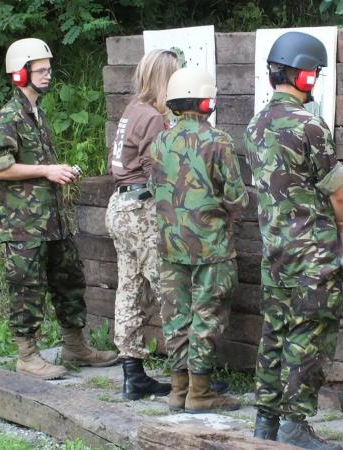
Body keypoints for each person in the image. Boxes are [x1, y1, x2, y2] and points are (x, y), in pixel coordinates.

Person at [0, 38, 118, 380]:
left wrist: (58, 171)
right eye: (40, 70)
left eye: (48, 69)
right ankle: (27, 357)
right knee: (26, 288)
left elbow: (36, 167)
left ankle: (75, 346)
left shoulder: (37, 114)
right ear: (20, 74)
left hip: (51, 221)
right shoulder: (10, 117)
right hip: (22, 225)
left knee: (69, 280)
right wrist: (47, 170)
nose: (47, 75)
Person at [243, 31, 343, 450]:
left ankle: (265, 423)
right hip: (313, 256)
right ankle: (294, 425)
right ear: (303, 75)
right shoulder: (310, 125)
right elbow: (335, 192)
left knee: (275, 333)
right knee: (310, 336)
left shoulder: (255, 124)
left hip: (275, 252)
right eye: (314, 73)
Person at [149, 68, 248, 413]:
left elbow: (154, 189)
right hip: (211, 246)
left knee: (175, 316)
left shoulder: (160, 141)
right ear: (206, 102)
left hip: (170, 244)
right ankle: (200, 393)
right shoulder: (218, 141)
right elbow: (236, 198)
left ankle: (178, 390)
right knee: (208, 316)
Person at [105, 49, 178, 400]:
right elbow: (155, 170)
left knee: (130, 290)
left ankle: (132, 375)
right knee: (168, 288)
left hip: (121, 205)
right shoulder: (152, 117)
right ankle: (189, 377)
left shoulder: (133, 109)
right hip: (142, 208)